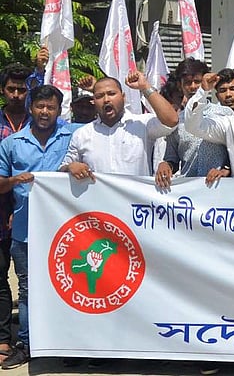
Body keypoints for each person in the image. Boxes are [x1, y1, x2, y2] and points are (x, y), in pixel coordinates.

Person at [0, 85, 74, 369]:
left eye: (51, 107)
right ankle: (28, 344)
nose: (45, 112)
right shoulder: (11, 143)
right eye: (40, 106)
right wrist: (15, 181)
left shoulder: (74, 135)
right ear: (31, 108)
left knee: (68, 287)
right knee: (29, 290)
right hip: (25, 230)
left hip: (65, 231)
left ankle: (67, 342)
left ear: (58, 110)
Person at [60, 72, 178, 178]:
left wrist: (145, 87)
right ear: (94, 101)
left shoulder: (142, 124)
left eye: (111, 94)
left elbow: (171, 120)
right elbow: (63, 168)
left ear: (123, 97)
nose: (106, 99)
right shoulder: (82, 134)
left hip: (135, 200)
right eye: (99, 96)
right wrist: (71, 167)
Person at [155, 58, 233, 190]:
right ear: (180, 86)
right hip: (189, 193)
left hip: (220, 188)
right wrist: (165, 165)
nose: (192, 87)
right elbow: (172, 159)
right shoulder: (176, 121)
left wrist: (225, 169)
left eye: (197, 81)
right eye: (187, 83)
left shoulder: (225, 113)